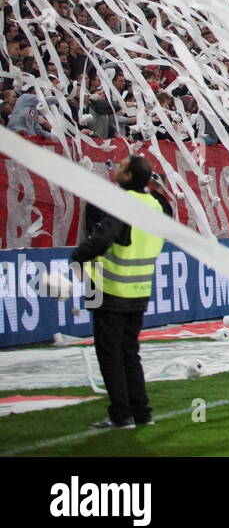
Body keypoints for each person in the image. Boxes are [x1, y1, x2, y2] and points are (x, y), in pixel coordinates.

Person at [71, 155, 165, 429]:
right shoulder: (154, 205)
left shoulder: (122, 204)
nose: (116, 168)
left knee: (110, 354)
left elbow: (101, 239)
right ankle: (141, 412)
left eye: (121, 166)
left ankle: (121, 414)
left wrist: (78, 256)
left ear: (127, 176)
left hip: (110, 289)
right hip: (139, 289)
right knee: (130, 352)